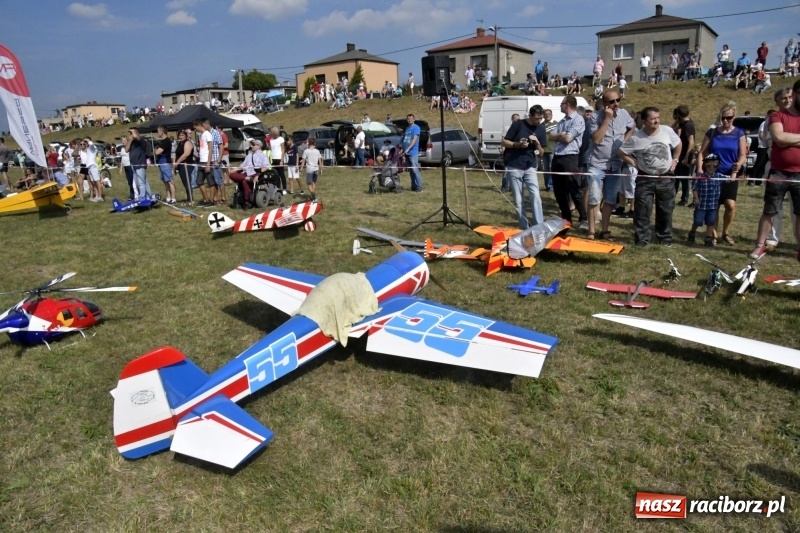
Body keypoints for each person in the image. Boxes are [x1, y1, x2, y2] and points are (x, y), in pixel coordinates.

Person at [750, 79, 800, 260]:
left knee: (799, 212)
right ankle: (760, 245)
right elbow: (778, 137)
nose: (788, 99)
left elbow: (785, 138)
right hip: (778, 171)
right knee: (770, 210)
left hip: (799, 173)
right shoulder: (777, 116)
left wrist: (790, 138)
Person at [618, 106, 682, 247]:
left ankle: (664, 238)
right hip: (645, 178)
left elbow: (678, 144)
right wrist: (634, 163)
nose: (656, 121)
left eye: (658, 118)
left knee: (665, 209)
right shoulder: (636, 138)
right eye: (652, 119)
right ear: (644, 121)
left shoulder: (667, 131)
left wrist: (675, 160)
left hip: (665, 177)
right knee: (643, 210)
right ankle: (642, 239)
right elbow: (622, 152)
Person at [695, 102, 747, 246]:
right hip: (713, 174)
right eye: (723, 118)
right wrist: (700, 169)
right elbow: (701, 152)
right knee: (714, 206)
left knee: (730, 204)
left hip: (730, 174)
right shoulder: (712, 132)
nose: (725, 121)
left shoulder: (739, 133)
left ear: (734, 116)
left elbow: (743, 154)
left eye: (729, 118)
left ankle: (726, 232)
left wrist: (739, 164)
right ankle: (713, 234)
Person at [587, 90, 635, 241]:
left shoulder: (624, 114)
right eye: (611, 101)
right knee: (594, 198)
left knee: (610, 200)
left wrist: (625, 140)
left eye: (617, 100)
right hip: (596, 163)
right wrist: (607, 119)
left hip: (615, 164)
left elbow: (632, 126)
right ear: (604, 103)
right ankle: (591, 230)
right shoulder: (595, 117)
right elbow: (596, 139)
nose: (615, 104)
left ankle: (605, 230)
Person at [502, 105, 546, 229]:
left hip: (530, 166)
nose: (539, 121)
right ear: (530, 116)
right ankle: (524, 227)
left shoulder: (541, 129)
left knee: (536, 196)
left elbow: (542, 153)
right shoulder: (518, 125)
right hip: (515, 166)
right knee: (518, 200)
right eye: (537, 118)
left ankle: (539, 226)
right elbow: (504, 142)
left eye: (541, 118)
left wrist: (537, 143)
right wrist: (518, 144)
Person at [550, 95, 587, 225]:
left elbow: (568, 139)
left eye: (562, 103)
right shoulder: (562, 121)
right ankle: (566, 219)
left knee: (574, 189)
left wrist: (560, 136)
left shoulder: (578, 120)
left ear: (568, 104)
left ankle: (583, 218)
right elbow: (551, 135)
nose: (560, 105)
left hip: (570, 157)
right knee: (559, 191)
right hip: (557, 157)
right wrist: (561, 134)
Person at [687, 154, 723, 247]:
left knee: (710, 223)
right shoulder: (701, 177)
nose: (711, 167)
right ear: (705, 165)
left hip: (712, 206)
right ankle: (692, 232)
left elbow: (731, 179)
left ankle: (708, 239)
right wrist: (696, 199)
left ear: (717, 166)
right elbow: (695, 189)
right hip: (701, 205)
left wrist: (736, 173)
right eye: (709, 165)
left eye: (714, 165)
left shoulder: (719, 176)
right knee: (698, 221)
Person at [229, 139, 269, 209]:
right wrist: (235, 169)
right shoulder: (249, 155)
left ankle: (247, 202)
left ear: (259, 146)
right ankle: (247, 179)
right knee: (231, 175)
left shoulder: (263, 156)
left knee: (244, 182)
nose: (251, 146)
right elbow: (242, 166)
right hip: (246, 173)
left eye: (253, 145)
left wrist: (257, 175)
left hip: (254, 173)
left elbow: (266, 167)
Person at [672, 105, 695, 206]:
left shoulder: (688, 125)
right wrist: (677, 121)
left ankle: (684, 198)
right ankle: (673, 196)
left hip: (685, 155)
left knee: (684, 178)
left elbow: (691, 141)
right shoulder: (683, 124)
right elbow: (671, 129)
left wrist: (686, 157)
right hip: (679, 155)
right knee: (676, 177)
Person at [193, 119, 215, 207]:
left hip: (207, 161)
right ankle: (206, 199)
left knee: (211, 182)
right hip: (201, 161)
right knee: (199, 181)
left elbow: (210, 149)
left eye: (195, 128)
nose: (195, 130)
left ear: (199, 125)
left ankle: (212, 200)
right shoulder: (201, 135)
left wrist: (209, 164)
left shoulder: (207, 135)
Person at [125, 128, 151, 200]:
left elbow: (136, 137)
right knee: (143, 180)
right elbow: (126, 150)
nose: (130, 135)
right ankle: (148, 195)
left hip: (140, 163)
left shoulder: (141, 140)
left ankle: (142, 197)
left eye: (131, 133)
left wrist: (133, 132)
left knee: (141, 182)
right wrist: (130, 140)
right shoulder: (132, 142)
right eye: (130, 134)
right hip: (134, 164)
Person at [400, 114, 422, 192]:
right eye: (408, 119)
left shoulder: (416, 128)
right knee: (411, 170)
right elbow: (404, 140)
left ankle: (419, 187)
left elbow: (414, 139)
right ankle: (413, 186)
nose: (409, 120)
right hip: (406, 152)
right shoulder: (407, 128)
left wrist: (408, 149)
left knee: (415, 170)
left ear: (414, 119)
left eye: (411, 118)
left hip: (413, 152)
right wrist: (402, 149)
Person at [172, 129, 194, 204]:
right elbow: (176, 154)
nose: (181, 137)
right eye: (180, 135)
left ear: (186, 135)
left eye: (182, 135)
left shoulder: (187, 142)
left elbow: (186, 154)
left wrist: (177, 163)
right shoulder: (179, 144)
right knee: (185, 183)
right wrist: (174, 165)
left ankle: (190, 199)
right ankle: (188, 198)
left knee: (187, 182)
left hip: (187, 165)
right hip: (180, 166)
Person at [155, 126, 175, 204]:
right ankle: (168, 197)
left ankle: (173, 198)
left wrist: (156, 150)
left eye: (158, 131)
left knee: (170, 181)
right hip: (161, 163)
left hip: (166, 163)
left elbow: (157, 152)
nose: (157, 133)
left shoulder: (166, 141)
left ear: (162, 132)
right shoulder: (162, 141)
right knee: (165, 181)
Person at [541, 109, 558, 192]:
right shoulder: (541, 125)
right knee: (545, 169)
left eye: (548, 114)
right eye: (545, 114)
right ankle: (547, 185)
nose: (547, 115)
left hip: (552, 149)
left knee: (552, 168)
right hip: (544, 150)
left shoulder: (556, 124)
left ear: (551, 115)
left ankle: (551, 186)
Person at [268, 126, 287, 194]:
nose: (271, 133)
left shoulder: (281, 139)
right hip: (273, 159)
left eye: (272, 132)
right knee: (275, 175)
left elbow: (283, 149)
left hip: (279, 158)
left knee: (282, 174)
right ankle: (278, 188)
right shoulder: (271, 140)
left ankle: (284, 188)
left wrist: (282, 160)